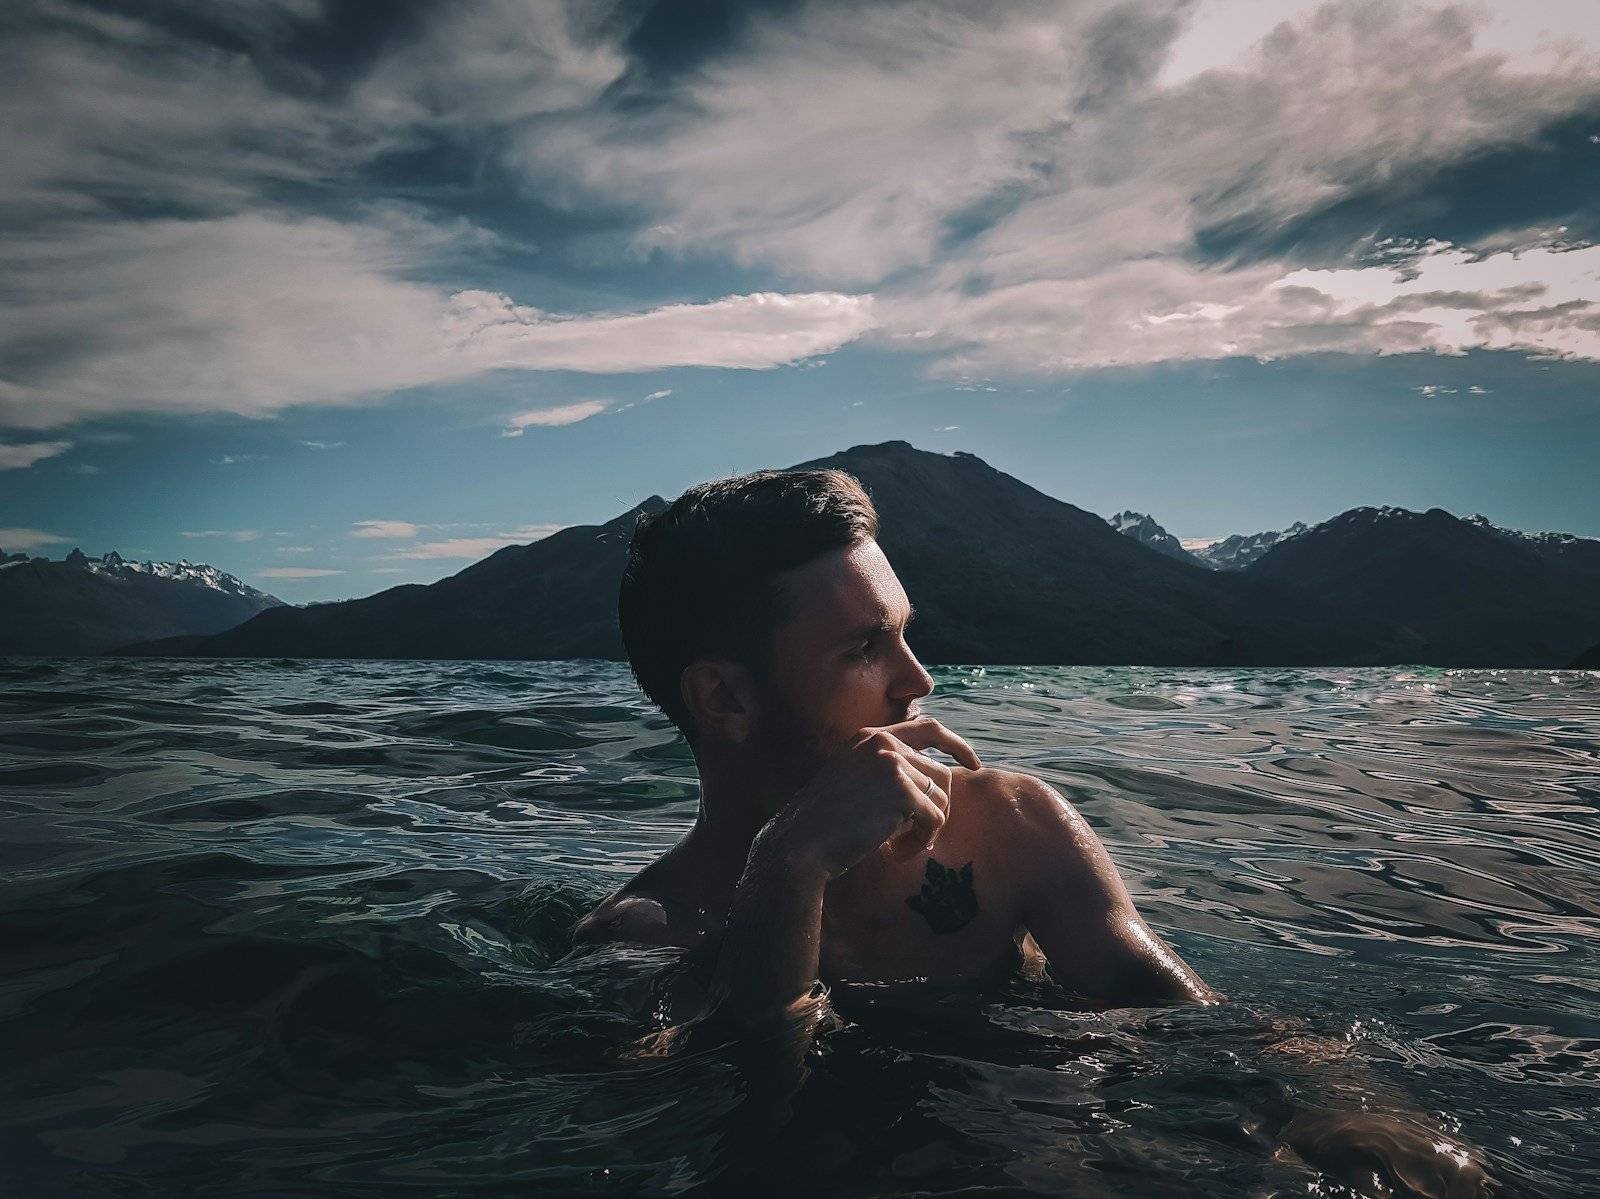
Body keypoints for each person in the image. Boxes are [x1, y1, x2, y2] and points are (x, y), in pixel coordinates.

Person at [572, 467, 1217, 1024]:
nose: (919, 681)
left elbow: (1205, 1035)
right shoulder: (643, 938)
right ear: (725, 700)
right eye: (864, 650)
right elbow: (747, 1114)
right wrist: (786, 871)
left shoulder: (1009, 828)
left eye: (904, 635)